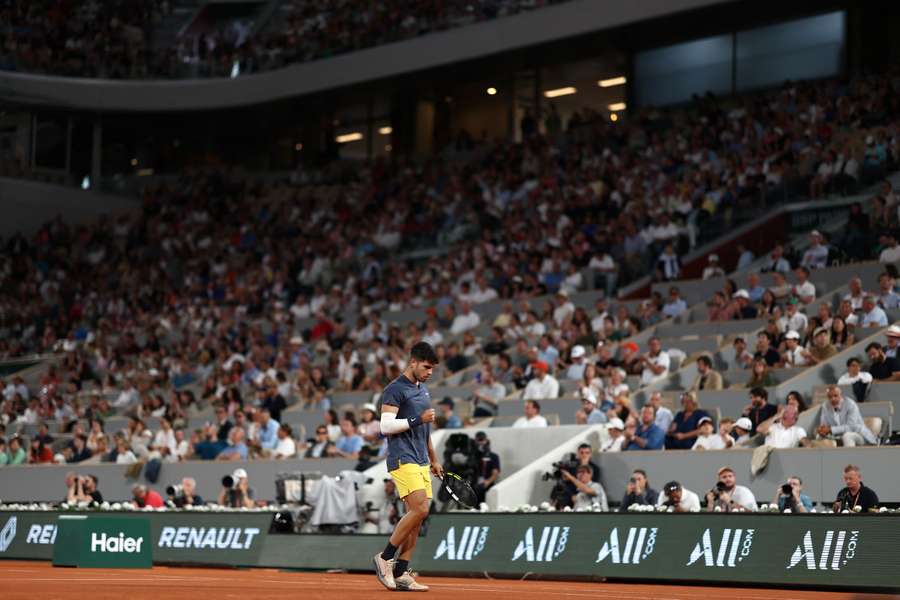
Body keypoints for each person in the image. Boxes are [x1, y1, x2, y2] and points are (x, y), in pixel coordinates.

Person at [374, 342, 442, 592]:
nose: (429, 372)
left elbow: (425, 430)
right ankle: (385, 558)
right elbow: (385, 426)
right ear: (413, 362)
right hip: (403, 458)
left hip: (422, 459)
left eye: (432, 368)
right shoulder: (394, 389)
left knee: (417, 518)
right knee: (421, 509)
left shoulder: (423, 391)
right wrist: (417, 418)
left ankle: (401, 572)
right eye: (426, 367)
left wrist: (434, 458)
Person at [473, 431, 500, 504]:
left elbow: (495, 473)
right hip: (473, 485)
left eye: (482, 440)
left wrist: (487, 482)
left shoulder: (494, 456)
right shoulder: (473, 456)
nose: (481, 443)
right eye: (479, 440)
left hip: (487, 486)